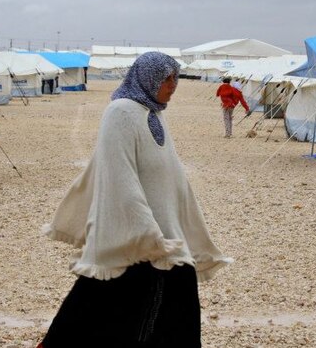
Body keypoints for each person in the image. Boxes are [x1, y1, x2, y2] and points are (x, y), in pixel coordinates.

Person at [38, 52, 231, 347]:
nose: (172, 84)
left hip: (166, 235)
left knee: (173, 308)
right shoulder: (121, 112)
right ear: (146, 77)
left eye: (174, 77)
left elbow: (172, 179)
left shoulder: (154, 114)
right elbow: (119, 177)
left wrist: (188, 232)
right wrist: (146, 235)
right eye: (165, 77)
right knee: (107, 308)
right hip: (133, 235)